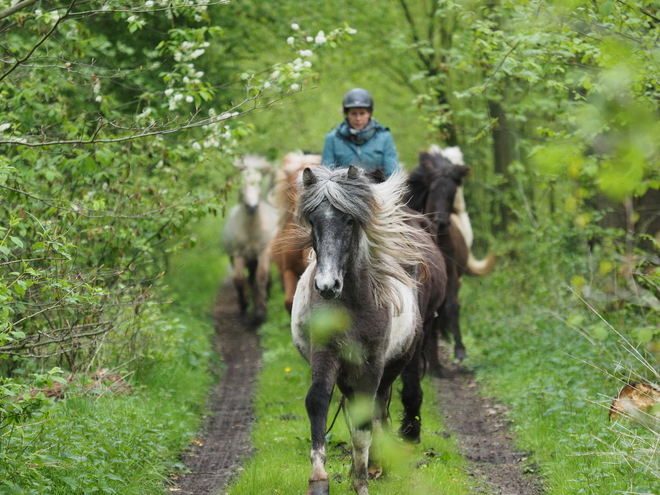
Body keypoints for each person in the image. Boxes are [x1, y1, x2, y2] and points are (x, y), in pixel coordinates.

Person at [321, 88, 400, 178]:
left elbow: (393, 173)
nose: (358, 118)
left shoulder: (384, 136)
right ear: (347, 114)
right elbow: (326, 175)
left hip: (377, 188)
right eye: (354, 113)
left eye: (362, 113)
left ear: (369, 113)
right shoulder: (332, 138)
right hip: (343, 189)